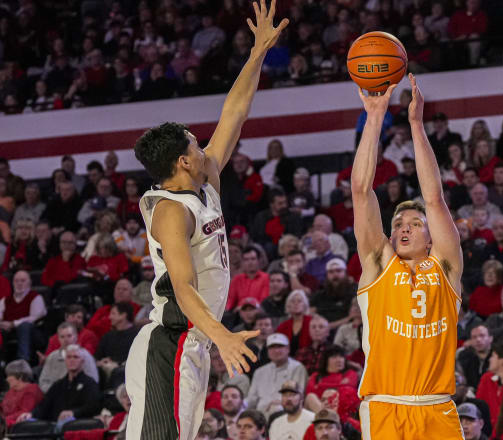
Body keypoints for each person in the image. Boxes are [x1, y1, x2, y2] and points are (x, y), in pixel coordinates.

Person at [125, 3, 288, 438]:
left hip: (193, 345)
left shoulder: (202, 183)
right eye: (197, 145)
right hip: (170, 343)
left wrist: (257, 55)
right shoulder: (170, 211)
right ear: (182, 162)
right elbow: (183, 288)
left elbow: (233, 115)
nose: (205, 148)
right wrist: (223, 336)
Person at [350, 74, 463, 438]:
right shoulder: (378, 262)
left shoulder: (445, 267)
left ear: (432, 237)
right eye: (398, 222)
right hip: (385, 405)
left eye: (415, 223)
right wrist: (375, 117)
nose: (404, 227)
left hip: (438, 406)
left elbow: (434, 199)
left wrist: (416, 124)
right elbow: (361, 190)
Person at [17, 344, 102, 424]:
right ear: (65, 360)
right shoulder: (58, 385)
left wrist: (73, 412)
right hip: (54, 425)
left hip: (77, 424)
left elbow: (92, 407)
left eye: (76, 357)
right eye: (69, 357)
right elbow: (44, 405)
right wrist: (31, 414)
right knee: (26, 423)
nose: (72, 360)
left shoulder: (90, 383)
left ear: (82, 361)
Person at [247, 333, 308, 418]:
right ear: (267, 351)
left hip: (283, 410)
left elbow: (298, 396)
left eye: (280, 346)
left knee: (276, 408)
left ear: (288, 349)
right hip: (260, 413)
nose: (276, 350)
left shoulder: (297, 368)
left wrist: (279, 402)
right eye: (272, 347)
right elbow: (251, 399)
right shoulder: (260, 372)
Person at [0, 270, 47, 361]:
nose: (19, 284)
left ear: (29, 282)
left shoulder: (36, 298)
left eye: (23, 281)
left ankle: (23, 360)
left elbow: (34, 317)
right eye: (16, 281)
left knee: (24, 326)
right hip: (8, 332)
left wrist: (13, 324)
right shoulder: (5, 300)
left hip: (33, 332)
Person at [39, 322, 98, 393]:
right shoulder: (52, 357)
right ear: (58, 339)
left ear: (76, 337)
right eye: (62, 337)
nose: (66, 340)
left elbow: (94, 381)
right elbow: (43, 382)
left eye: (69, 336)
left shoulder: (85, 356)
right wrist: (56, 392)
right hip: (55, 396)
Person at [1, 360, 43, 427]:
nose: (7, 379)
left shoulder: (32, 390)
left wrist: (2, 420)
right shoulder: (12, 390)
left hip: (20, 425)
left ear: (20, 377)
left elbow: (23, 412)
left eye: (9, 376)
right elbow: (2, 407)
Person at [458, 324, 493, 390]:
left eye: (482, 336)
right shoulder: (464, 357)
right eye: (474, 337)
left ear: (490, 338)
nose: (478, 340)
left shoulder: (498, 357)